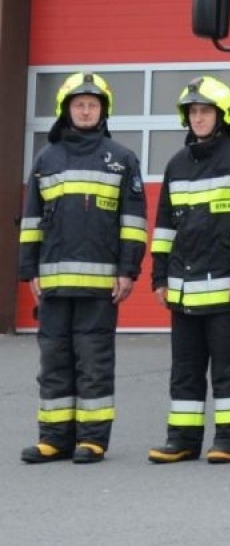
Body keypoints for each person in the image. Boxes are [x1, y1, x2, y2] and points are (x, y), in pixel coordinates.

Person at [18, 72, 146, 465]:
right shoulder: (46, 158)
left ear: (103, 111)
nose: (86, 110)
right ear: (66, 110)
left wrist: (128, 271)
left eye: (93, 105)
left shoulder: (121, 159)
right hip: (53, 284)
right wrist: (29, 271)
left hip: (100, 285)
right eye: (79, 105)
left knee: (93, 363)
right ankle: (54, 439)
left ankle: (91, 440)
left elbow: (133, 223)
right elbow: (30, 221)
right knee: (54, 362)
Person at [147, 77, 230, 464]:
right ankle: (182, 440)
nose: (198, 118)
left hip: (224, 288)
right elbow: (165, 225)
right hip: (182, 289)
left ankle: (229, 441)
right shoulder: (177, 164)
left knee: (228, 371)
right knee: (184, 369)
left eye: (205, 111)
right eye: (193, 112)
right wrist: (159, 276)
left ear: (222, 115)